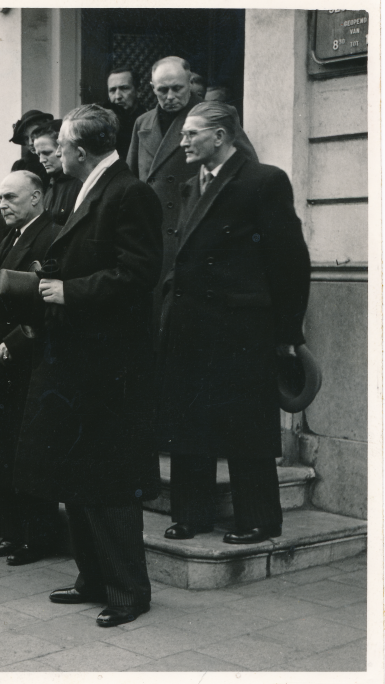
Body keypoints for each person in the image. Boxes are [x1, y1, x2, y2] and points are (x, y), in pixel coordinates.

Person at [12, 105, 163, 627]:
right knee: (75, 473)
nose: (51, 152)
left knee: (109, 480)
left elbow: (140, 273)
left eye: (61, 145)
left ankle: (128, 591)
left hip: (109, 366)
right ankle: (93, 578)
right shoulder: (78, 189)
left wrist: (67, 291)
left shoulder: (128, 192)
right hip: (74, 361)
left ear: (79, 149)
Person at [157, 102, 311, 544]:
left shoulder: (264, 180)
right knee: (189, 420)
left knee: (245, 426)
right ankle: (192, 514)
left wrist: (287, 334)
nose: (182, 141)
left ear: (220, 136)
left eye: (191, 134)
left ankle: (259, 520)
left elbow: (289, 262)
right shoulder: (190, 185)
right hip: (189, 322)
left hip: (240, 327)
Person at [0, 170, 61, 567]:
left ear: (37, 198)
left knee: (31, 452)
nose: (2, 205)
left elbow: (49, 306)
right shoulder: (9, 236)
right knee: (1, 448)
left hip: (29, 362)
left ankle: (38, 538)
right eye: (0, 197)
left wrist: (15, 342)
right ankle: (11, 533)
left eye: (10, 197)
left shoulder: (52, 236)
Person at [127, 56, 257, 331]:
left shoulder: (212, 116)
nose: (170, 96)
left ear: (190, 83)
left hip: (191, 232)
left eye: (177, 88)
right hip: (150, 236)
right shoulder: (142, 123)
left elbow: (244, 167)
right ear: (152, 88)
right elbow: (132, 180)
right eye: (162, 90)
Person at [0, 110, 54, 242]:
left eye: (34, 135)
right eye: (26, 139)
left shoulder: (56, 164)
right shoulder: (20, 166)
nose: (31, 142)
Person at [32, 121, 82, 227]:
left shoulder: (80, 183)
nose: (41, 160)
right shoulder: (51, 183)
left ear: (62, 149)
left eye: (47, 153)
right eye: (38, 154)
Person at [104, 66, 146, 160]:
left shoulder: (147, 122)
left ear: (138, 91)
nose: (118, 96)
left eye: (124, 88)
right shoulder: (103, 125)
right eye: (112, 90)